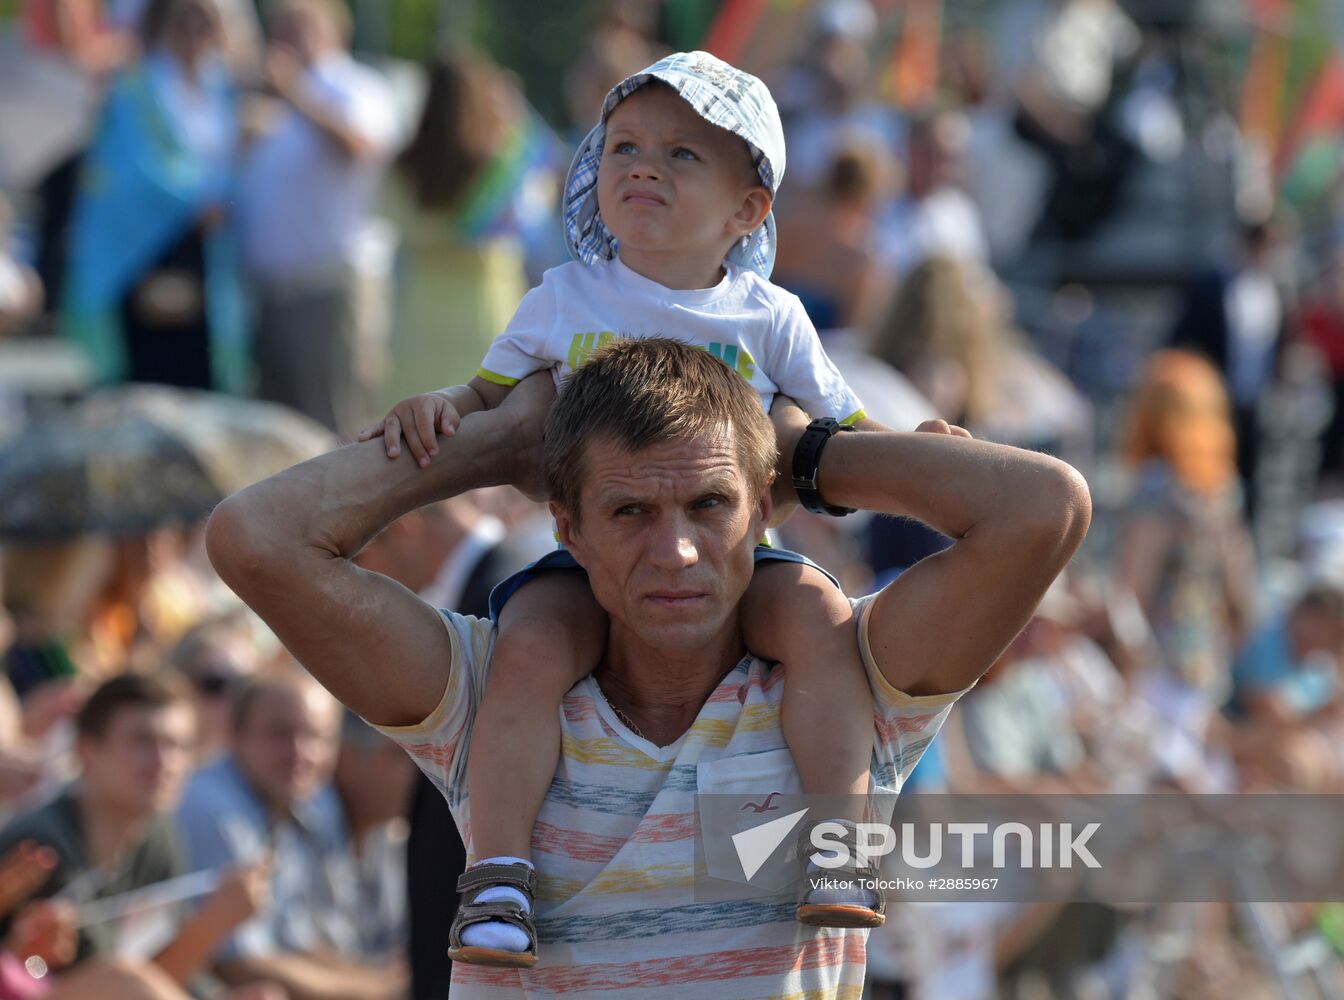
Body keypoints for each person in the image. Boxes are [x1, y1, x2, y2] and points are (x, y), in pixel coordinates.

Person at [206, 334, 1090, 995]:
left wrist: (816, 454)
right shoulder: (492, 693)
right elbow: (254, 537)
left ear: (763, 513)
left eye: (711, 505)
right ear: (567, 529)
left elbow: (1047, 506)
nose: (675, 552)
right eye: (630, 511)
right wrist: (499, 445)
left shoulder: (846, 690)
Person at [361, 50, 889, 964]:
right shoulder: (562, 297)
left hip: (737, 561)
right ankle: (497, 875)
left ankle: (838, 847)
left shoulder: (771, 318)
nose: (643, 165)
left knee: (820, 617)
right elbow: (487, 403)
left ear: (748, 209)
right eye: (624, 147)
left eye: (684, 155)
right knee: (525, 644)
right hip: (591, 560)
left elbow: (852, 429)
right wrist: (434, 406)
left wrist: (926, 444)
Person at [0, 674, 267, 981]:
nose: (163, 761)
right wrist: (211, 927)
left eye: (177, 745)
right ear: (87, 751)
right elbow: (117, 988)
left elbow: (159, 965)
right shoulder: (40, 847)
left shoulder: (158, 834)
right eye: (143, 741)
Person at [174, 670, 406, 1000]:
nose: (300, 752)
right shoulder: (216, 811)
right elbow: (238, 965)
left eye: (316, 737)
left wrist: (381, 983)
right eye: (279, 733)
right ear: (234, 734)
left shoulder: (284, 803)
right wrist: (381, 990)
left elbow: (300, 947)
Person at [61, 0, 247, 394]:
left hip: (205, 245)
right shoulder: (140, 86)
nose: (196, 35)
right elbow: (130, 162)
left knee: (200, 367)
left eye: (205, 25)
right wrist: (194, 201)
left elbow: (227, 159)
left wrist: (220, 200)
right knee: (154, 372)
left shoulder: (220, 88)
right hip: (150, 242)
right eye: (187, 23)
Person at [238, 0, 399, 435]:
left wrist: (295, 92)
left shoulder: (350, 85)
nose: (282, 41)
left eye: (295, 27)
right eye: (278, 29)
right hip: (270, 296)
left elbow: (362, 146)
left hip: (324, 290)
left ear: (331, 31)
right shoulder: (283, 102)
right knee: (277, 435)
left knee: (330, 428)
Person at [378, 43, 551, 404]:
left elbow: (394, 226)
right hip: (486, 314)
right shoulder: (503, 161)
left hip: (419, 321)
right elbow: (534, 213)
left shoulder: (401, 167)